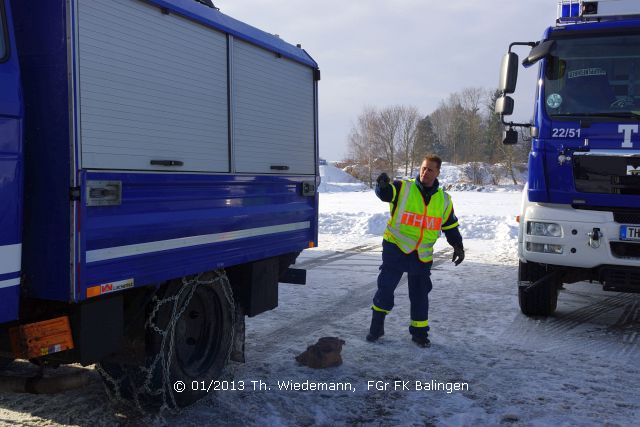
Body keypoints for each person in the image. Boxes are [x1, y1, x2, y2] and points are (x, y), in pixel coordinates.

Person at [366, 154, 464, 348]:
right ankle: (376, 327)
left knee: (420, 295)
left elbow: (450, 225)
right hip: (396, 247)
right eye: (424, 168)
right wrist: (382, 185)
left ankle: (420, 334)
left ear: (437, 173)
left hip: (421, 254)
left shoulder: (443, 200)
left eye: (430, 170)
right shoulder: (403, 188)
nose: (425, 172)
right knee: (385, 289)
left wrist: (458, 245)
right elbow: (385, 194)